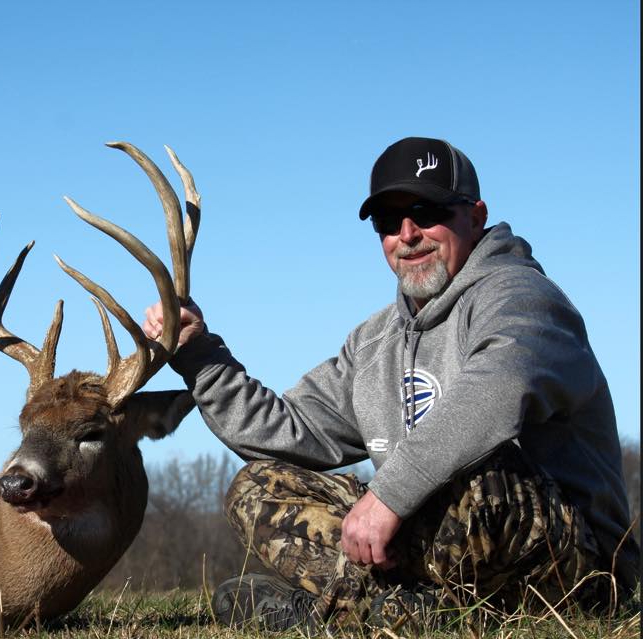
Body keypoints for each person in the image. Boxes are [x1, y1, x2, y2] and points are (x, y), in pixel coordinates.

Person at [142, 137, 639, 631]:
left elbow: (497, 390)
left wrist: (387, 499)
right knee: (257, 488)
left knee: (484, 472)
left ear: (476, 216)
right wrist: (200, 356)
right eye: (387, 221)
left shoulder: (523, 299)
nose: (408, 234)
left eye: (427, 212)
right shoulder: (375, 341)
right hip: (443, 554)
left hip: (578, 565)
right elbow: (289, 430)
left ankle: (340, 610)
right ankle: (401, 609)